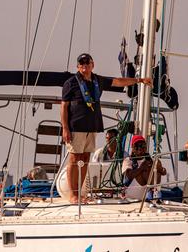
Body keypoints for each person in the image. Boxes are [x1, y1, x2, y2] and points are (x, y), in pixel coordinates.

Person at [61, 53, 151, 203]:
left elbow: (117, 82)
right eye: (81, 64)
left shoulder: (98, 80)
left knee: (85, 158)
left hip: (92, 126)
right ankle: (73, 194)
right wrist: (65, 128)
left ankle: (80, 192)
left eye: (87, 63)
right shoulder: (71, 83)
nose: (85, 66)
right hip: (76, 126)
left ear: (92, 64)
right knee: (74, 158)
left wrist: (139, 80)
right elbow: (64, 106)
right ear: (78, 66)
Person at [121, 134, 166, 200]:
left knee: (156, 167)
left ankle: (154, 193)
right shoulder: (128, 160)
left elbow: (164, 172)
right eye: (137, 145)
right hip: (131, 192)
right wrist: (142, 168)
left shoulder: (150, 159)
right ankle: (152, 192)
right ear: (133, 147)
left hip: (146, 191)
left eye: (142, 145)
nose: (140, 148)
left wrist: (160, 168)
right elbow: (129, 175)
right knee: (143, 171)